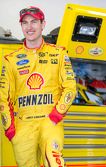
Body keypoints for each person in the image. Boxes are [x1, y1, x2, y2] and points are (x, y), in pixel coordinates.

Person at [0, 6, 76, 166]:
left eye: (34, 22)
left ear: (43, 24)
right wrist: (10, 129)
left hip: (50, 121)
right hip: (23, 126)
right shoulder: (10, 60)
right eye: (25, 23)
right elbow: (3, 97)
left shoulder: (59, 53)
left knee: (54, 162)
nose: (29, 27)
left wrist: (55, 116)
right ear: (21, 26)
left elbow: (70, 88)